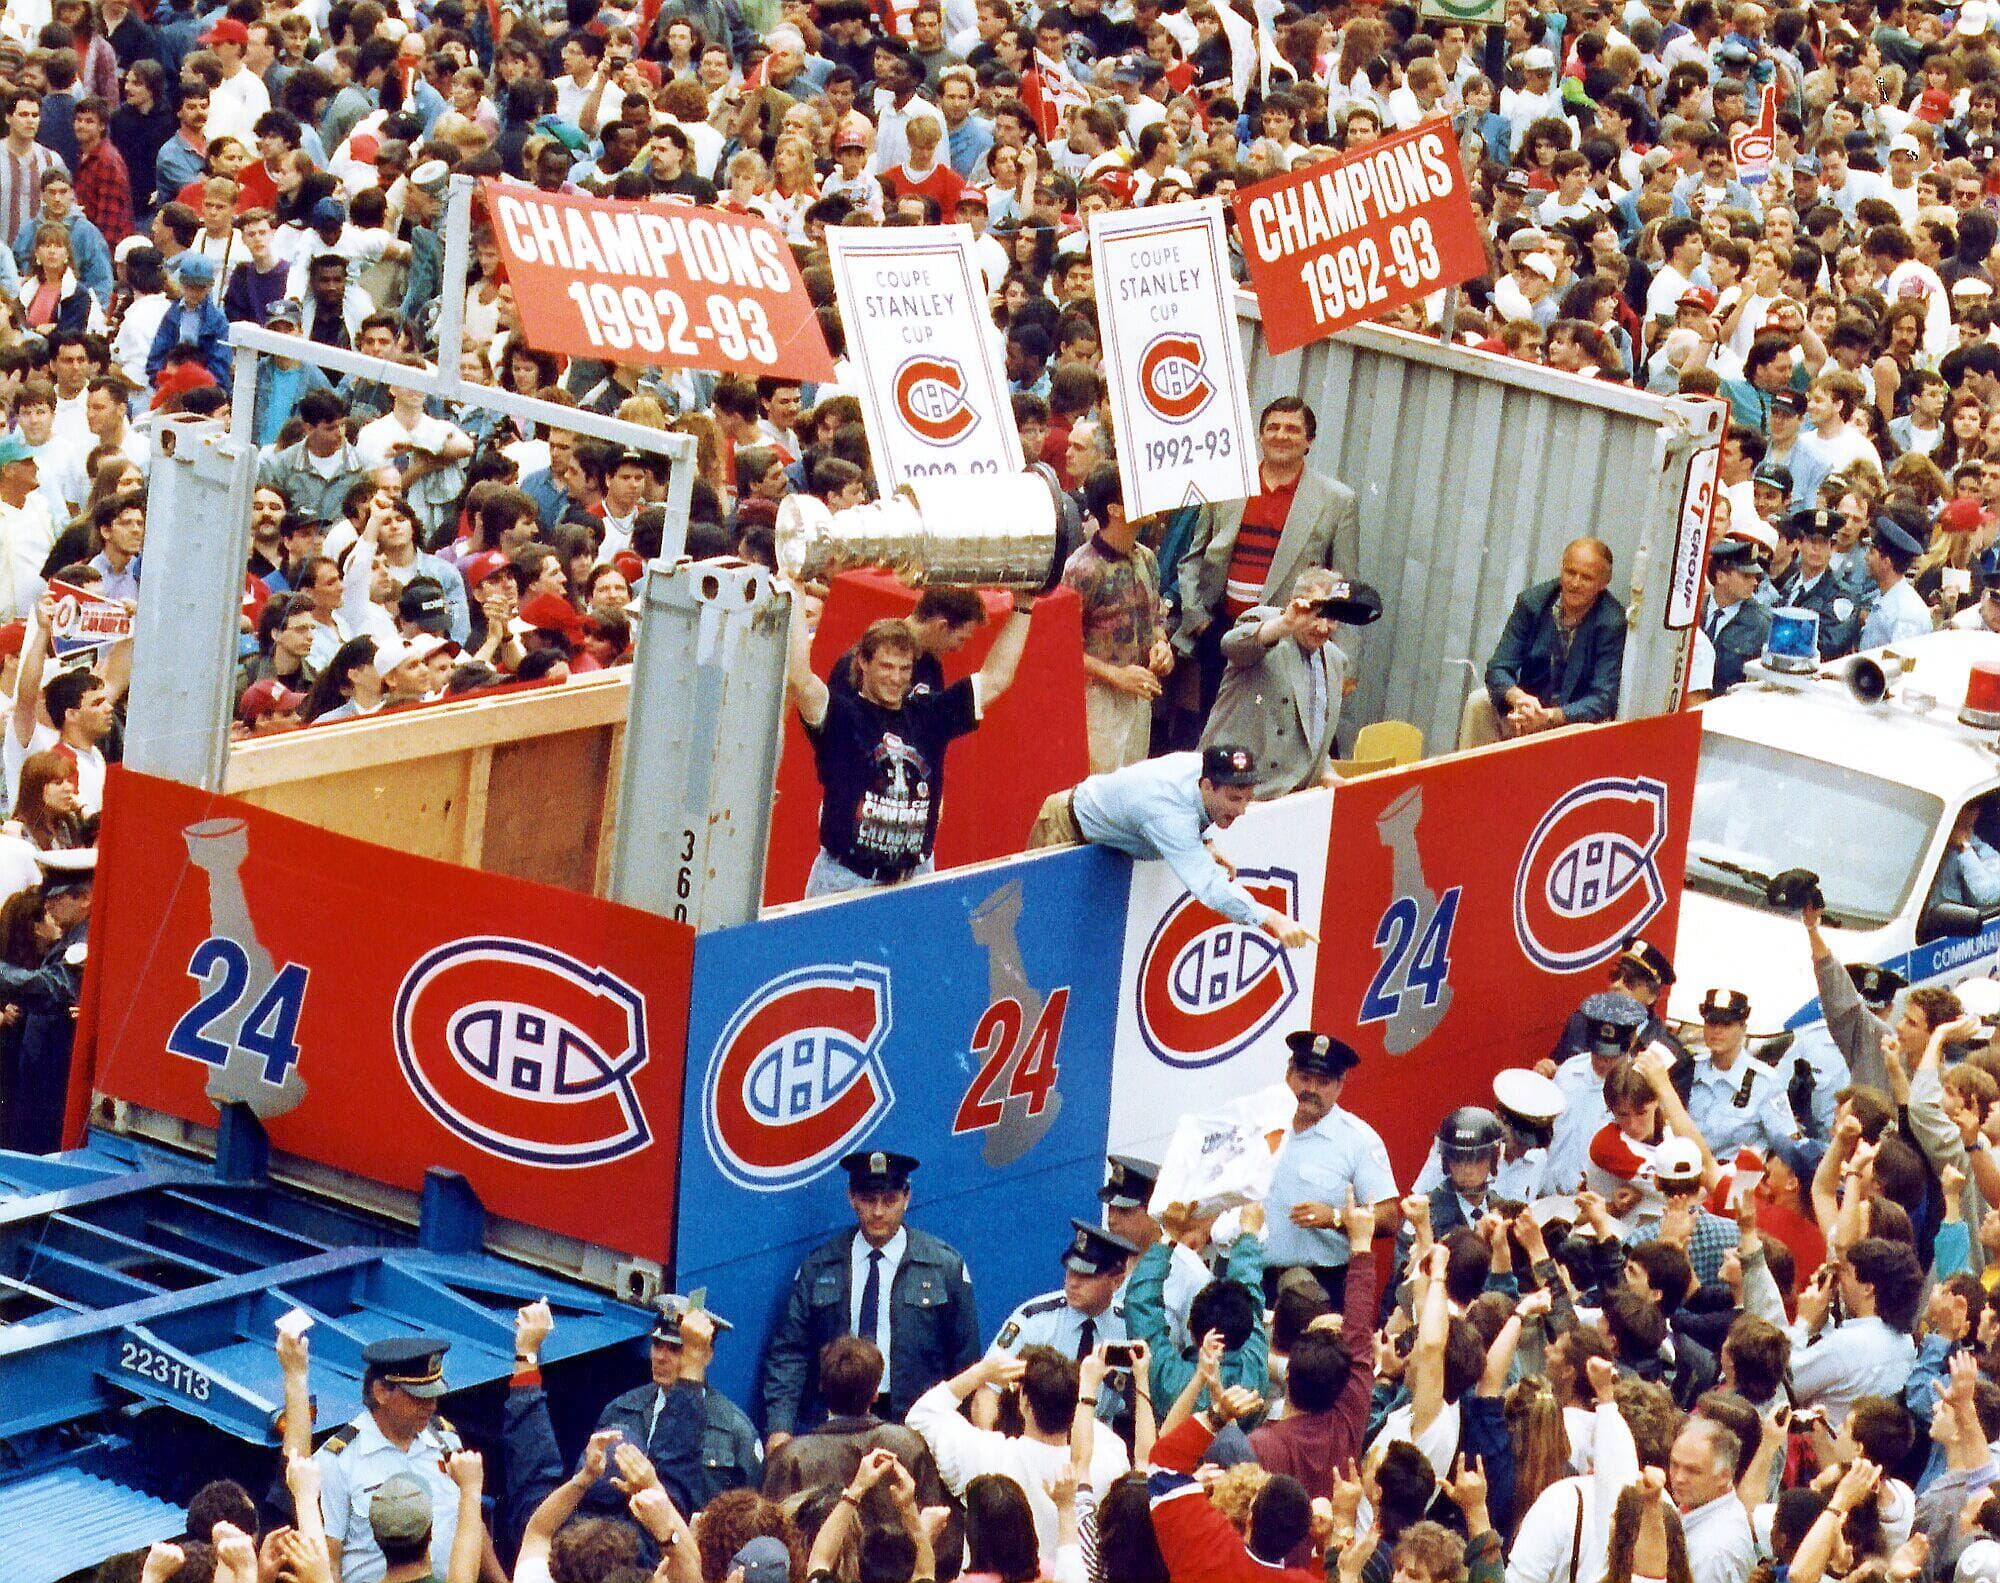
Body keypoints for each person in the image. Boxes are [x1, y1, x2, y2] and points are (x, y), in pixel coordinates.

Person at [783, 577, 1036, 897]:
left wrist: (1025, 607)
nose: (896, 678)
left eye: (904, 669)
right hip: (847, 880)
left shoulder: (928, 715)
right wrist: (795, 586)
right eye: (886, 667)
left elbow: (995, 679)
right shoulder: (842, 716)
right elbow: (800, 680)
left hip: (914, 878)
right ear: (863, 662)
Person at [760, 1149, 981, 1449]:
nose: (878, 1212)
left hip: (915, 1423)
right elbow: (790, 1351)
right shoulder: (821, 1265)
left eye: (889, 1200)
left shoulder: (943, 1266)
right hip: (837, 1423)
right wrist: (780, 1428)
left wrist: (962, 1436)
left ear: (906, 1198)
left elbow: (965, 1360)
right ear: (852, 1198)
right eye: (868, 1200)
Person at [1173, 397, 1360, 726]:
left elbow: (1345, 587)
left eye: (1292, 429)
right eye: (1272, 427)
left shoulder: (1336, 500)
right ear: (1260, 436)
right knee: (1214, 736)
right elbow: (1193, 557)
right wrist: (1199, 620)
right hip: (1222, 635)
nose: (1281, 435)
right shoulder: (1228, 485)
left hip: (1287, 643)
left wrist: (1346, 663)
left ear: (1309, 441)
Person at [1027, 744, 1313, 948]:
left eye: (1247, 799)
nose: (1242, 811)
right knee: (1039, 935)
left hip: (1108, 839)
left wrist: (1203, 843)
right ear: (1207, 786)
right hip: (1064, 829)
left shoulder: (1202, 771)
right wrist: (1271, 918)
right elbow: (1209, 888)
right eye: (1234, 799)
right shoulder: (1169, 814)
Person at [315, 1337, 483, 1583]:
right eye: (419, 1397)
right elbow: (329, 1559)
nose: (431, 1405)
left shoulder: (446, 1441)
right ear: (381, 1392)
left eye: (434, 1395)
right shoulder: (338, 1461)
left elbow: (470, 1523)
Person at [1200, 570, 1379, 797]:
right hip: (1232, 790)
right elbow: (1231, 644)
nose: (1323, 628)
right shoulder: (1268, 625)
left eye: (1331, 618)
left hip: (1290, 801)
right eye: (1315, 615)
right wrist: (1286, 623)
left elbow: (1312, 730)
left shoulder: (1335, 660)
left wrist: (1326, 772)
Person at [586, 1300, 761, 1515]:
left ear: (705, 1356)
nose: (660, 1357)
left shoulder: (734, 1429)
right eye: (657, 1344)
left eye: (676, 1349)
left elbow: (751, 1513)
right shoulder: (621, 1410)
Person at [1261, 1030, 1396, 1304]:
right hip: (1254, 1280)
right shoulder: (1256, 1124)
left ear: (1339, 1085)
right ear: (1288, 1075)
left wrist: (1335, 1217)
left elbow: (1389, 1216)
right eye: (1304, 1078)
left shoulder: (1358, 1140)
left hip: (1322, 1287)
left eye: (1322, 1082)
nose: (1310, 1089)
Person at [1064, 463, 1170, 774]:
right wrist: (1116, 675)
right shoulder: (1080, 569)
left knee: (1133, 783)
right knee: (1099, 786)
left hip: (1139, 693)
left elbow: (1155, 621)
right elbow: (1063, 648)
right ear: (1116, 510)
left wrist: (1161, 647)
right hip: (1097, 700)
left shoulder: (1146, 558)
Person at [1472, 537, 1626, 744]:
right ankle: (1472, 775)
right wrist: (1519, 698)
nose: (1575, 583)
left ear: (1603, 583)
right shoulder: (1532, 603)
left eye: (1586, 578)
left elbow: (1603, 699)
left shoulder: (1612, 622)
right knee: (1479, 703)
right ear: (1561, 569)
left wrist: (1550, 717)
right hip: (1530, 708)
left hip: (1571, 721)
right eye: (1570, 572)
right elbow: (1498, 668)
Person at [0, 845, 93, 1152]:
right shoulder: (70, 939)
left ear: (84, 898)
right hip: (42, 1080)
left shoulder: (83, 942)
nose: (48, 904)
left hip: (54, 1087)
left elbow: (52, 988)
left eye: (57, 896)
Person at [989, 1218, 1135, 1363]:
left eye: (1086, 1276)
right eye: (1071, 1271)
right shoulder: (1035, 1321)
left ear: (1117, 1281)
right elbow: (988, 1384)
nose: (1073, 1282)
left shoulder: (1130, 1330)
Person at [1698, 538, 1773, 692]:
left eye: (1755, 576)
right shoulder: (1694, 611)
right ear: (1721, 577)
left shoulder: (1762, 623)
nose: (1754, 582)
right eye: (1746, 576)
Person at [1857, 513, 1933, 648]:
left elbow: (1899, 663)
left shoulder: (1906, 614)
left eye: (1872, 552)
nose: (1866, 558)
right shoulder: (1888, 596)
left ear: (1886, 563)